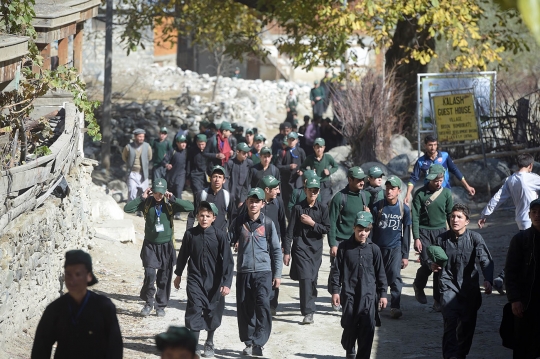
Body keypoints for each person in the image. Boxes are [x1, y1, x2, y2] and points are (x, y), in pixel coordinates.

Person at [31, 250, 123, 359]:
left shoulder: (103, 307)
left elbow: (115, 346)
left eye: (78, 274)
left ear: (89, 276)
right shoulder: (55, 309)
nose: (72, 280)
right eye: (68, 274)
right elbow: (41, 348)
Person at [430, 203, 493, 359]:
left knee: (467, 325)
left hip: (469, 289)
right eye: (452, 216)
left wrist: (488, 279)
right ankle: (450, 356)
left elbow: (485, 259)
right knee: (450, 322)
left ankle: (461, 355)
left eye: (459, 217)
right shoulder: (442, 239)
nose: (455, 220)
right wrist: (431, 264)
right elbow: (431, 258)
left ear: (466, 221)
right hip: (447, 286)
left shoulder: (475, 238)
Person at [123, 179, 194, 316]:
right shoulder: (147, 203)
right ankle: (149, 302)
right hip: (150, 245)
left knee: (164, 277)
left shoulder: (170, 204)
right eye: (156, 192)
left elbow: (190, 207)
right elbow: (127, 208)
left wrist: (173, 198)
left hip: (166, 245)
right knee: (150, 274)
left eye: (161, 193)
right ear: (152, 191)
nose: (158, 196)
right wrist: (141, 197)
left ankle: (160, 305)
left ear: (165, 192)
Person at [174, 201, 234, 358]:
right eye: (201, 215)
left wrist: (226, 283)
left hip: (215, 281)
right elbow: (183, 256)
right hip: (195, 279)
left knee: (211, 312)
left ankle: (209, 342)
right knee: (194, 308)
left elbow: (228, 261)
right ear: (197, 216)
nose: (204, 218)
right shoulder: (190, 234)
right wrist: (178, 274)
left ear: (214, 218)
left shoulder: (220, 235)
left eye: (208, 216)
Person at [229, 188, 283, 357]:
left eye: (257, 201)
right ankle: (248, 341)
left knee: (263, 306)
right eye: (251, 201)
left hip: (263, 271)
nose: (253, 204)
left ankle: (259, 342)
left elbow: (276, 250)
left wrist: (278, 274)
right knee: (245, 308)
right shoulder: (238, 222)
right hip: (244, 271)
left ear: (262, 203)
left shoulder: (268, 224)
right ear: (246, 202)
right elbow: (227, 241)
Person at [478, 154, 540, 293]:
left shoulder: (510, 180)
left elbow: (498, 198)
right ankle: (507, 279)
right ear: (530, 165)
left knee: (524, 251)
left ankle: (502, 279)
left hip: (520, 219)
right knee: (528, 252)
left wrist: (485, 213)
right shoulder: (533, 178)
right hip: (533, 220)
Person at [329, 211, 387, 359]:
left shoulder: (374, 249)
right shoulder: (344, 248)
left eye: (366, 230)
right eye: (360, 229)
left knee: (367, 329)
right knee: (349, 326)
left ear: (370, 230)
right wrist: (335, 291)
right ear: (354, 227)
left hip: (368, 296)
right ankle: (349, 346)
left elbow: (381, 273)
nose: (363, 233)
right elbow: (336, 271)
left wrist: (383, 294)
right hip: (349, 295)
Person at [283, 177, 330, 324]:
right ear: (305, 190)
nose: (313, 193)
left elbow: (327, 228)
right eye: (310, 190)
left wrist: (312, 223)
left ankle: (310, 303)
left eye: (316, 191)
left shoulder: (323, 208)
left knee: (313, 281)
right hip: (300, 248)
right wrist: (287, 251)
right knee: (305, 279)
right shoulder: (297, 209)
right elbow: (289, 231)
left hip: (316, 250)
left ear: (318, 192)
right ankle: (308, 312)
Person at [411, 164, 453, 311]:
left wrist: (453, 234)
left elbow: (450, 215)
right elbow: (414, 217)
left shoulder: (447, 194)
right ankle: (418, 284)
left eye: (440, 180)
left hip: (441, 232)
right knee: (428, 264)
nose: (438, 183)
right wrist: (416, 237)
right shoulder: (420, 194)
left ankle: (437, 300)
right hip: (424, 232)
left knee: (439, 266)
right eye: (435, 180)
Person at [370, 176, 411, 319]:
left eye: (392, 188)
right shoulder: (377, 207)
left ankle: (395, 306)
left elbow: (406, 233)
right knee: (376, 276)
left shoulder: (403, 209)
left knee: (395, 275)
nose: (389, 191)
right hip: (377, 248)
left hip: (395, 248)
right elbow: (371, 230)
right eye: (387, 188)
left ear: (399, 191)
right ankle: (376, 303)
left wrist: (405, 255)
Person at [505, 198, 540, 359]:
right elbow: (511, 272)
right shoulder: (520, 240)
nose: (537, 216)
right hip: (526, 303)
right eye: (534, 212)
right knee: (523, 348)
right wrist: (514, 299)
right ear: (529, 215)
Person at [404, 135, 475, 205]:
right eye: (430, 145)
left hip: (445, 191)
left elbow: (455, 170)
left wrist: (467, 186)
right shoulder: (421, 161)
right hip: (430, 195)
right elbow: (413, 179)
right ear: (425, 145)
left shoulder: (445, 156)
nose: (433, 147)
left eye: (435, 145)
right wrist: (407, 195)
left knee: (448, 214)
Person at [259, 175, 287, 316]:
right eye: (275, 189)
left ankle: (272, 305)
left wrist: (285, 246)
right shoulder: (255, 201)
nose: (278, 191)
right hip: (258, 246)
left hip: (273, 245)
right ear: (266, 190)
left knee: (274, 273)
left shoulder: (278, 202)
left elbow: (283, 224)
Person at [187, 165, 230, 232]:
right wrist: (188, 232)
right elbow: (192, 215)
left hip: (221, 236)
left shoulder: (228, 196)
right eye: (215, 176)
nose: (217, 180)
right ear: (210, 178)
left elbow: (233, 217)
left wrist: (232, 236)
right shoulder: (201, 194)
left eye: (220, 177)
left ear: (224, 180)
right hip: (202, 235)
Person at [275, 132, 306, 215]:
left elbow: (305, 165)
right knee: (288, 201)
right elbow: (277, 165)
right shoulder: (283, 152)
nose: (291, 141)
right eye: (290, 139)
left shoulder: (300, 151)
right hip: (286, 182)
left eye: (293, 140)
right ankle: (289, 218)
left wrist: (302, 171)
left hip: (298, 181)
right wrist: (288, 166)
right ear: (287, 140)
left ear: (296, 140)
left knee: (299, 199)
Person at [299, 137, 337, 204]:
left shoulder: (328, 158)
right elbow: (302, 167)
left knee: (324, 203)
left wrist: (329, 171)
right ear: (314, 148)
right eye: (317, 147)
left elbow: (335, 166)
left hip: (325, 184)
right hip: (314, 184)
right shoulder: (310, 158)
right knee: (315, 202)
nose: (319, 149)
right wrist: (309, 173)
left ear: (324, 148)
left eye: (321, 147)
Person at [122, 128, 153, 206]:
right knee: (132, 190)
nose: (141, 138)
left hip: (143, 173)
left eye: (143, 136)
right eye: (139, 136)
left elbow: (150, 157)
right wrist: (129, 164)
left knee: (144, 192)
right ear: (135, 137)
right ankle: (131, 207)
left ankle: (142, 209)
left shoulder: (147, 146)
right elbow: (124, 157)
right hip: (132, 173)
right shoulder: (128, 147)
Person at [164, 135, 189, 219]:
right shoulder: (173, 151)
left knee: (178, 192)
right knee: (170, 194)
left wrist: (188, 177)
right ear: (177, 143)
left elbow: (189, 164)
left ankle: (177, 214)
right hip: (171, 176)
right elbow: (164, 160)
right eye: (181, 142)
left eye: (185, 142)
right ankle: (169, 211)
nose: (183, 144)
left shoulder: (186, 152)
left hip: (181, 175)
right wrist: (166, 164)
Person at [225, 142, 253, 215]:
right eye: (244, 153)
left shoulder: (249, 163)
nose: (246, 155)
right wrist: (227, 192)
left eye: (247, 153)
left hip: (246, 194)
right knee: (232, 215)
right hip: (233, 193)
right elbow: (225, 178)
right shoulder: (231, 163)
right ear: (237, 152)